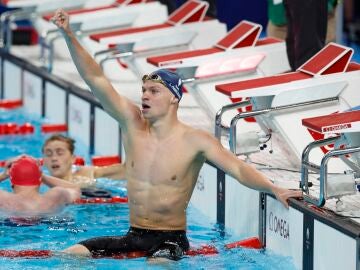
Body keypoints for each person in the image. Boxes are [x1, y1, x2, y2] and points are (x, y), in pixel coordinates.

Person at [52, 9, 302, 260]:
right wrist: (69, 35)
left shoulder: (195, 140)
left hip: (171, 238)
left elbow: (237, 169)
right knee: (70, 255)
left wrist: (274, 188)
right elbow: (95, 78)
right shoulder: (132, 125)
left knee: (158, 264)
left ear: (174, 98)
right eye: (143, 91)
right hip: (133, 234)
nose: (145, 96)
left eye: (153, 91)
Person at [0, 155, 80, 216]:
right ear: (40, 181)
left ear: (11, 182)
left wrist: (4, 175)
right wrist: (42, 175)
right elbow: (75, 189)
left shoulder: (2, 198)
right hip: (48, 227)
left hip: (10, 225)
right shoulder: (57, 195)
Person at [42, 134, 126, 190]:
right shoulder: (38, 184)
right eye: (48, 154)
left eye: (60, 153)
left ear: (73, 158)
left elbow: (125, 169)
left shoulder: (88, 174)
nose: (54, 158)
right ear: (44, 161)